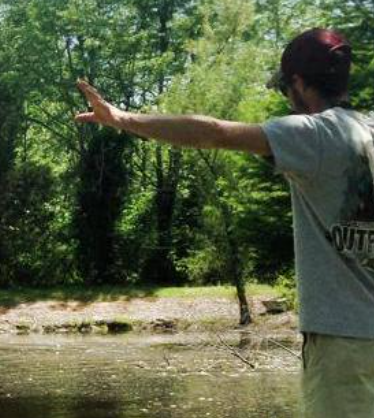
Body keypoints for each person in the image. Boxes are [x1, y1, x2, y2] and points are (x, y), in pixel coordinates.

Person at [74, 28, 374, 418]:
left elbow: (214, 132)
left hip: (344, 344)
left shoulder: (314, 134)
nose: (286, 98)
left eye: (286, 87)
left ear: (299, 83)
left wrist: (122, 118)